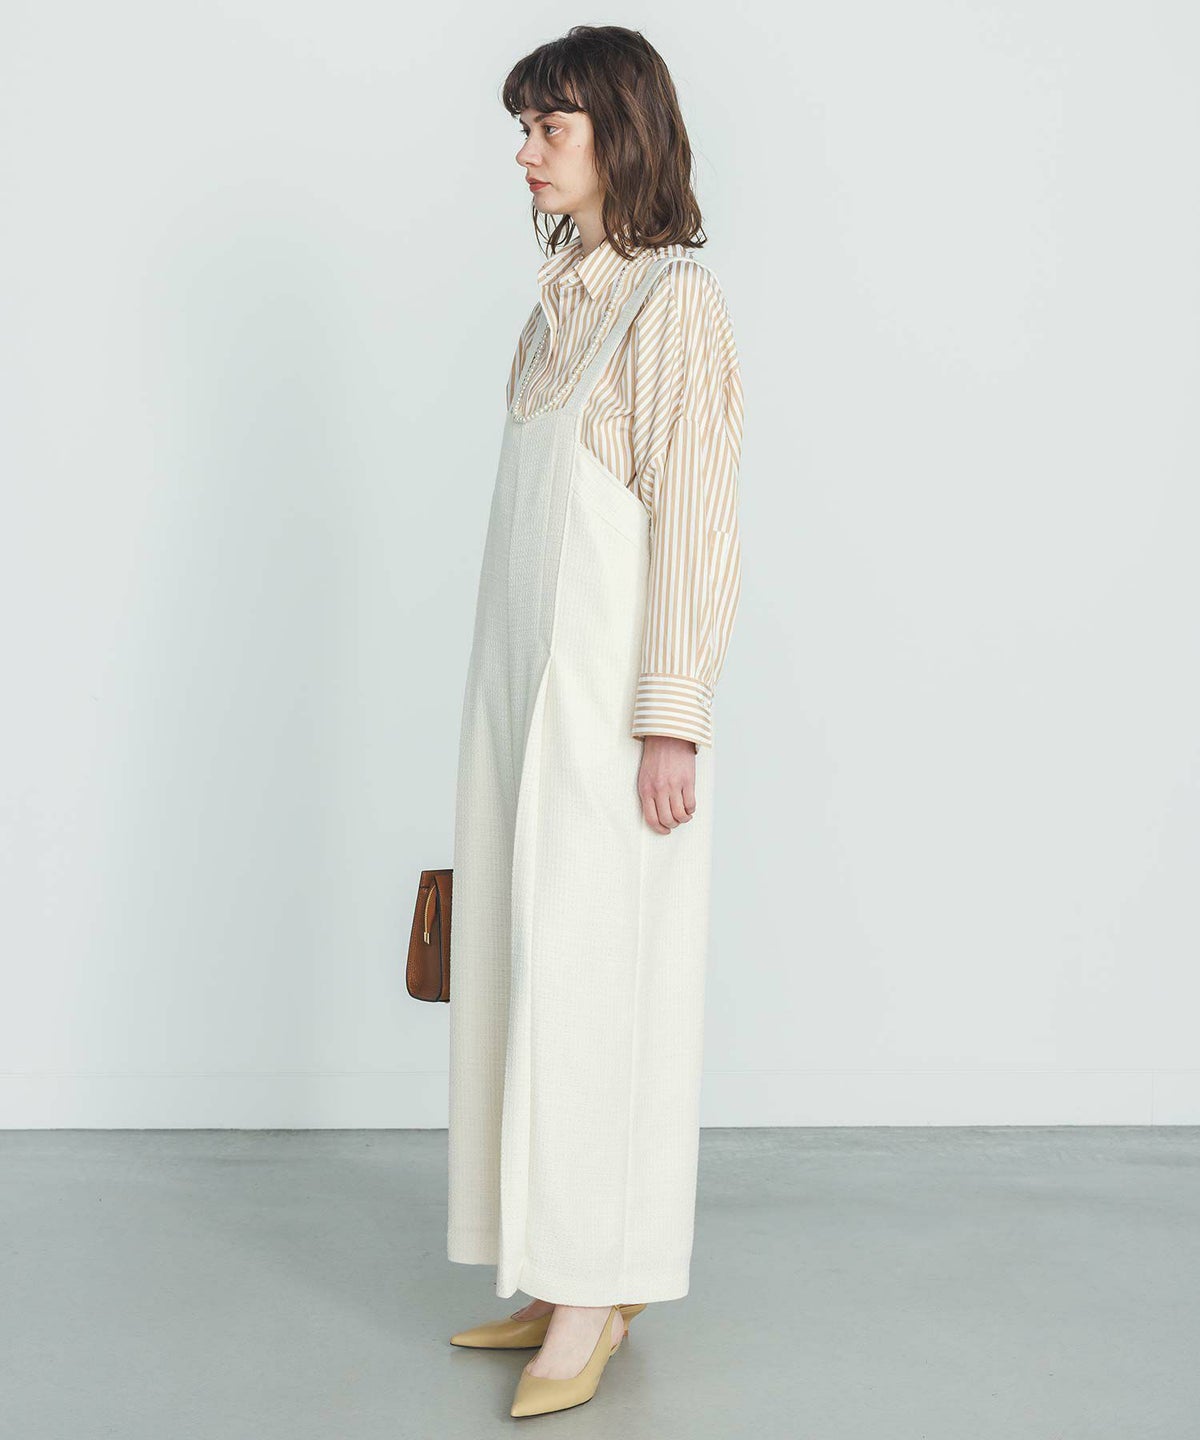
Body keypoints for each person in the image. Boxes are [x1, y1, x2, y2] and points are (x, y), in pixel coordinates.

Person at [445, 24, 744, 1418]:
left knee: (599, 983)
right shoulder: (556, 304)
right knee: (524, 969)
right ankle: (552, 1261)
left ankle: (596, 1292)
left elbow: (698, 520)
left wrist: (671, 716)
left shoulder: (673, 304)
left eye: (547, 127)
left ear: (617, 135)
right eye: (523, 127)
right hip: (521, 699)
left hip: (611, 717)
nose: (523, 151)